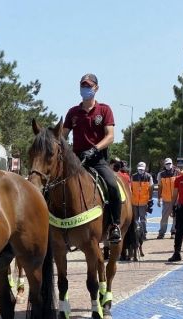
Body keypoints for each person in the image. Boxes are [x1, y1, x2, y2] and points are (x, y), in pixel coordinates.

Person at [63, 73, 123, 243]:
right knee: (54, 185)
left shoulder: (104, 110)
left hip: (98, 160)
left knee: (112, 185)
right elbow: (62, 136)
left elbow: (110, 136)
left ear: (96, 88)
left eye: (89, 86)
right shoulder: (73, 112)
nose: (85, 89)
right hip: (76, 161)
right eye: (83, 86)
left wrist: (94, 149)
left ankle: (114, 225)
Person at [130, 162, 154, 238]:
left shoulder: (148, 177)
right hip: (134, 201)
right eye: (139, 169)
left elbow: (151, 188)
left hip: (144, 202)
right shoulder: (133, 176)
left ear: (145, 168)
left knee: (143, 218)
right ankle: (135, 233)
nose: (141, 170)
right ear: (137, 168)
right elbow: (131, 188)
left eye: (142, 169)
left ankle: (144, 233)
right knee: (135, 218)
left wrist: (150, 199)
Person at [156, 157, 178, 239]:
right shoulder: (160, 174)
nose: (168, 165)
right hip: (166, 200)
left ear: (172, 164)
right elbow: (159, 187)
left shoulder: (177, 173)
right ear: (164, 165)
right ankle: (162, 232)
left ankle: (173, 232)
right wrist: (158, 199)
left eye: (170, 164)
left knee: (176, 217)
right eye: (167, 164)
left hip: (176, 199)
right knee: (164, 217)